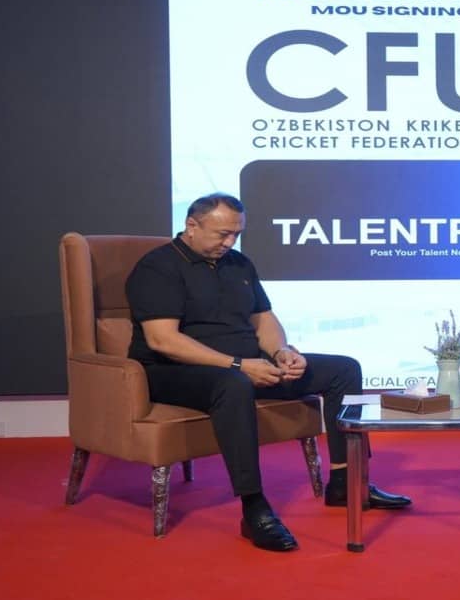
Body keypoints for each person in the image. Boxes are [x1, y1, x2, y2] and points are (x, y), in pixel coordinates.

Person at [125, 193, 411, 552]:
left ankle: (347, 482)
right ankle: (254, 507)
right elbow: (163, 340)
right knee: (233, 384)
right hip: (174, 372)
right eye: (222, 234)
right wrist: (239, 365)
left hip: (245, 364)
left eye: (237, 234)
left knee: (343, 369)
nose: (230, 242)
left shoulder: (238, 264)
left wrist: (281, 352)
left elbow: (263, 319)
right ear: (191, 225)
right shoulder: (158, 268)